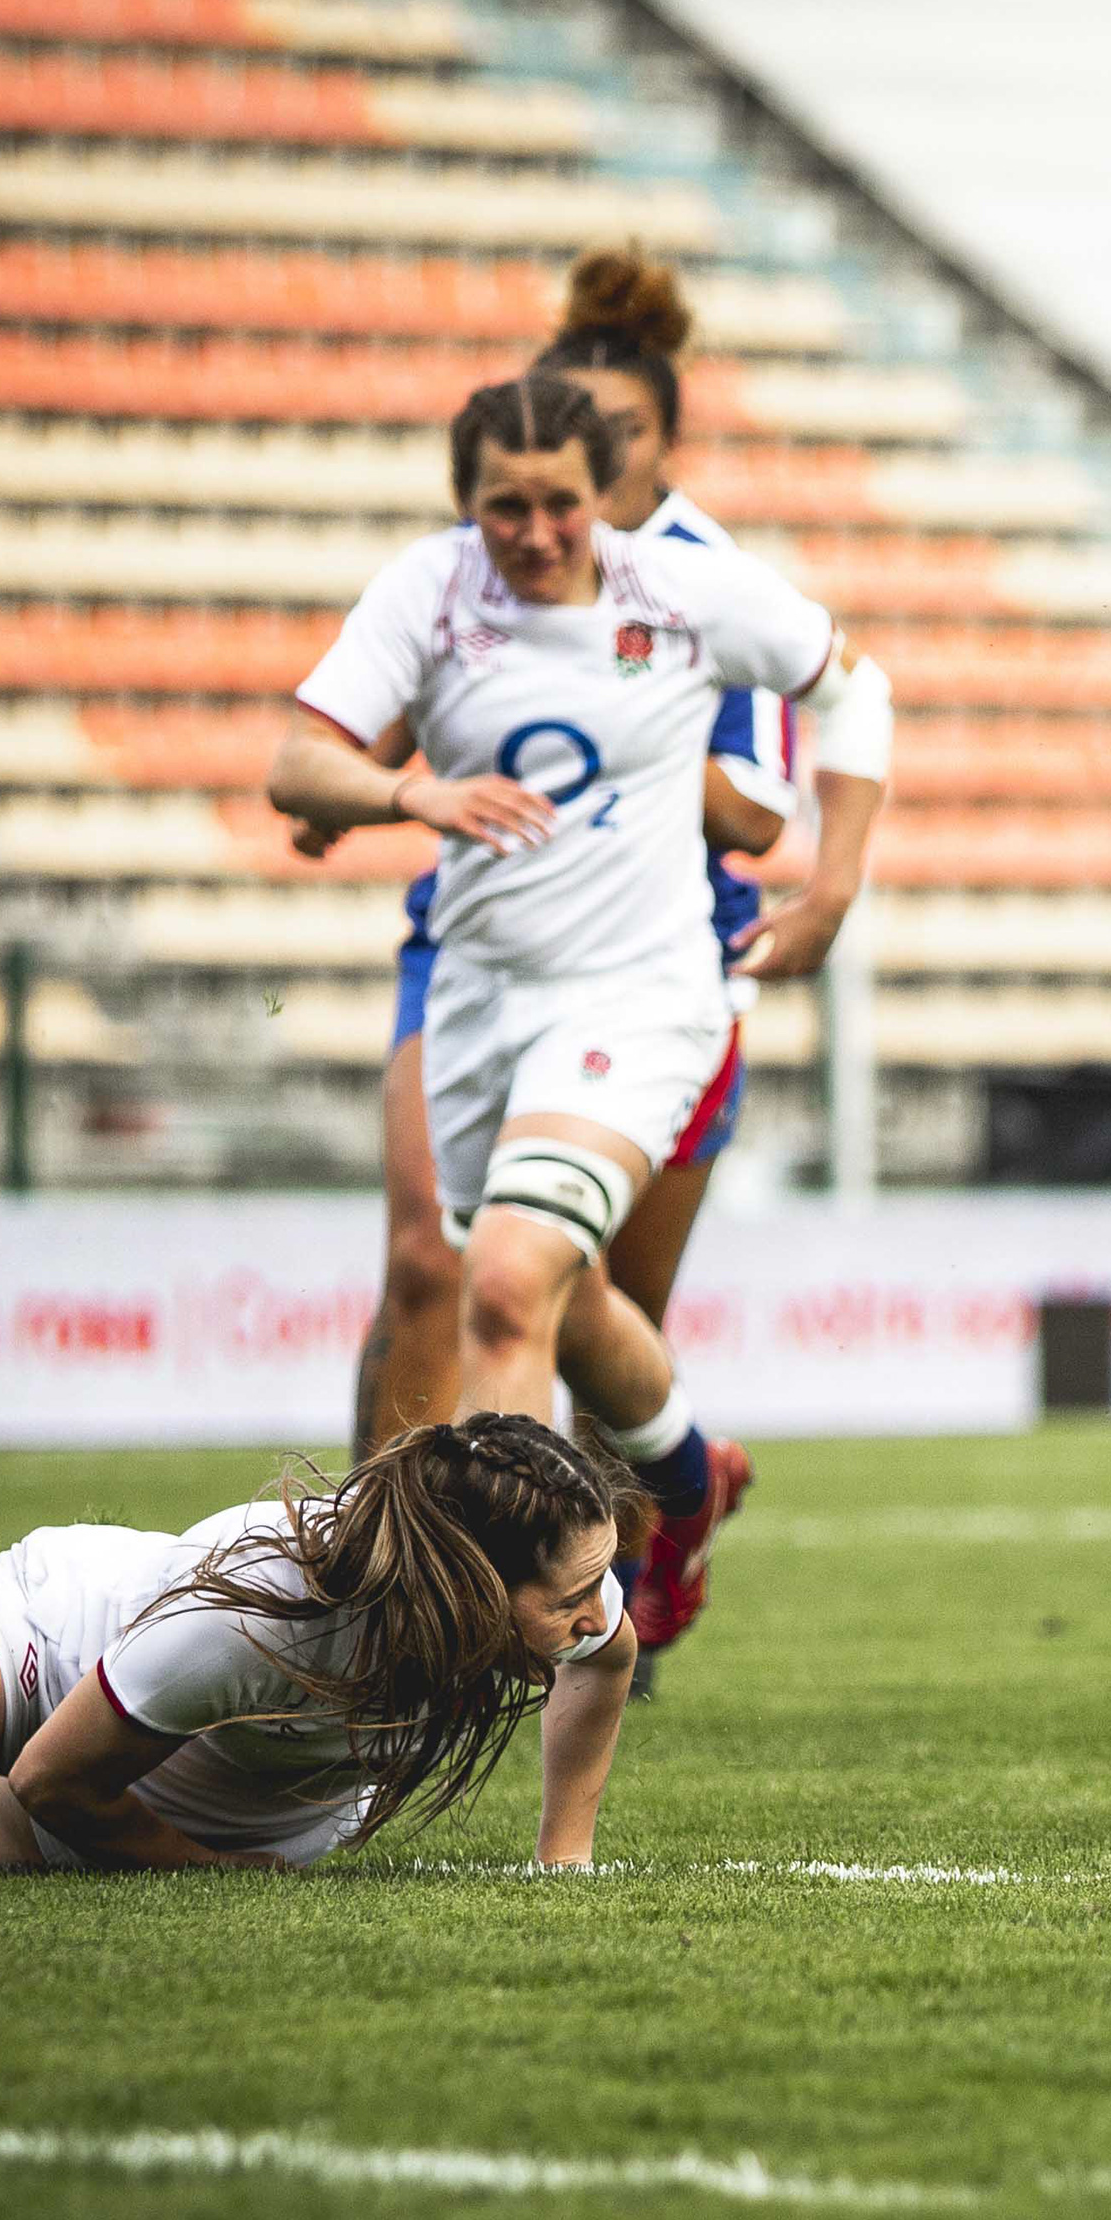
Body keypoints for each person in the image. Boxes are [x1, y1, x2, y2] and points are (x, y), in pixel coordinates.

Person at [337, 251, 879, 1668]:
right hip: (473, 943)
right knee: (434, 1262)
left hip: (656, 969)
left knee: (566, 1291)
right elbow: (371, 739)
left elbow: (762, 805)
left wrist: (622, 753)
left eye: (615, 442)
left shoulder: (694, 586)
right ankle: (386, 1596)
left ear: (651, 448)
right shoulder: (479, 566)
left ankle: (612, 1561)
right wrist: (378, 776)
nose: (574, 479)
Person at [0, 1414, 640, 1869]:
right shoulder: (260, 1613)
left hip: (204, 1777)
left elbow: (609, 1661)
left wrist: (567, 1859)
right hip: (67, 1648)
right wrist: (206, 1872)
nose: (599, 1614)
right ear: (466, 1581)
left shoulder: (555, 1588)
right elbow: (57, 1783)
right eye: (573, 1598)